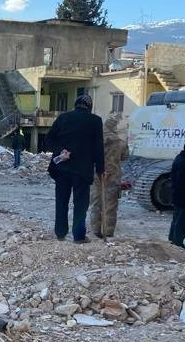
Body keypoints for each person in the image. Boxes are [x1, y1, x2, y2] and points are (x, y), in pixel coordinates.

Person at [46, 94, 105, 243]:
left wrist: (61, 150)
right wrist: (100, 169)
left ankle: (60, 233)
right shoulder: (95, 121)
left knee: (61, 201)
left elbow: (49, 140)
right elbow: (98, 148)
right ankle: (78, 236)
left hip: (62, 169)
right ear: (89, 107)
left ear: (75, 104)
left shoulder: (63, 118)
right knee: (80, 204)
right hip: (82, 170)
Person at [89, 112, 128, 238]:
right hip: (113, 176)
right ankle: (108, 232)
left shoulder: (95, 140)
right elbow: (125, 157)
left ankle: (95, 230)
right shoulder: (120, 142)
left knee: (96, 202)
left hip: (96, 175)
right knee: (110, 205)